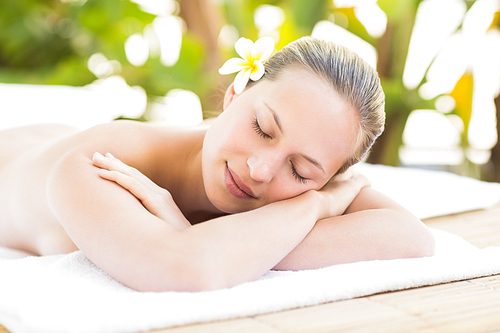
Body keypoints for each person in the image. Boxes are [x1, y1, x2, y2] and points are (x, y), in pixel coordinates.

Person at [0, 37, 434, 292]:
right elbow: (186, 267)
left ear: (328, 178)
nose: (260, 170)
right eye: (263, 128)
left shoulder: (306, 183)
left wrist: (199, 236)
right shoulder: (97, 166)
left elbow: (412, 237)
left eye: (301, 172)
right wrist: (316, 207)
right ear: (232, 94)